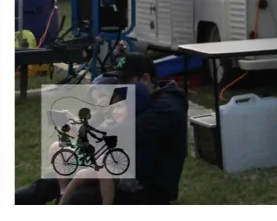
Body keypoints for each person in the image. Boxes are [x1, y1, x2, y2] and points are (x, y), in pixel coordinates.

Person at [18, 53, 189, 204]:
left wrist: (83, 130)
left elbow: (123, 134)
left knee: (79, 199)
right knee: (49, 182)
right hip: (117, 172)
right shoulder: (135, 99)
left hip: (145, 188)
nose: (118, 85)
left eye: (125, 80)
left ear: (145, 79)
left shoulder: (167, 108)